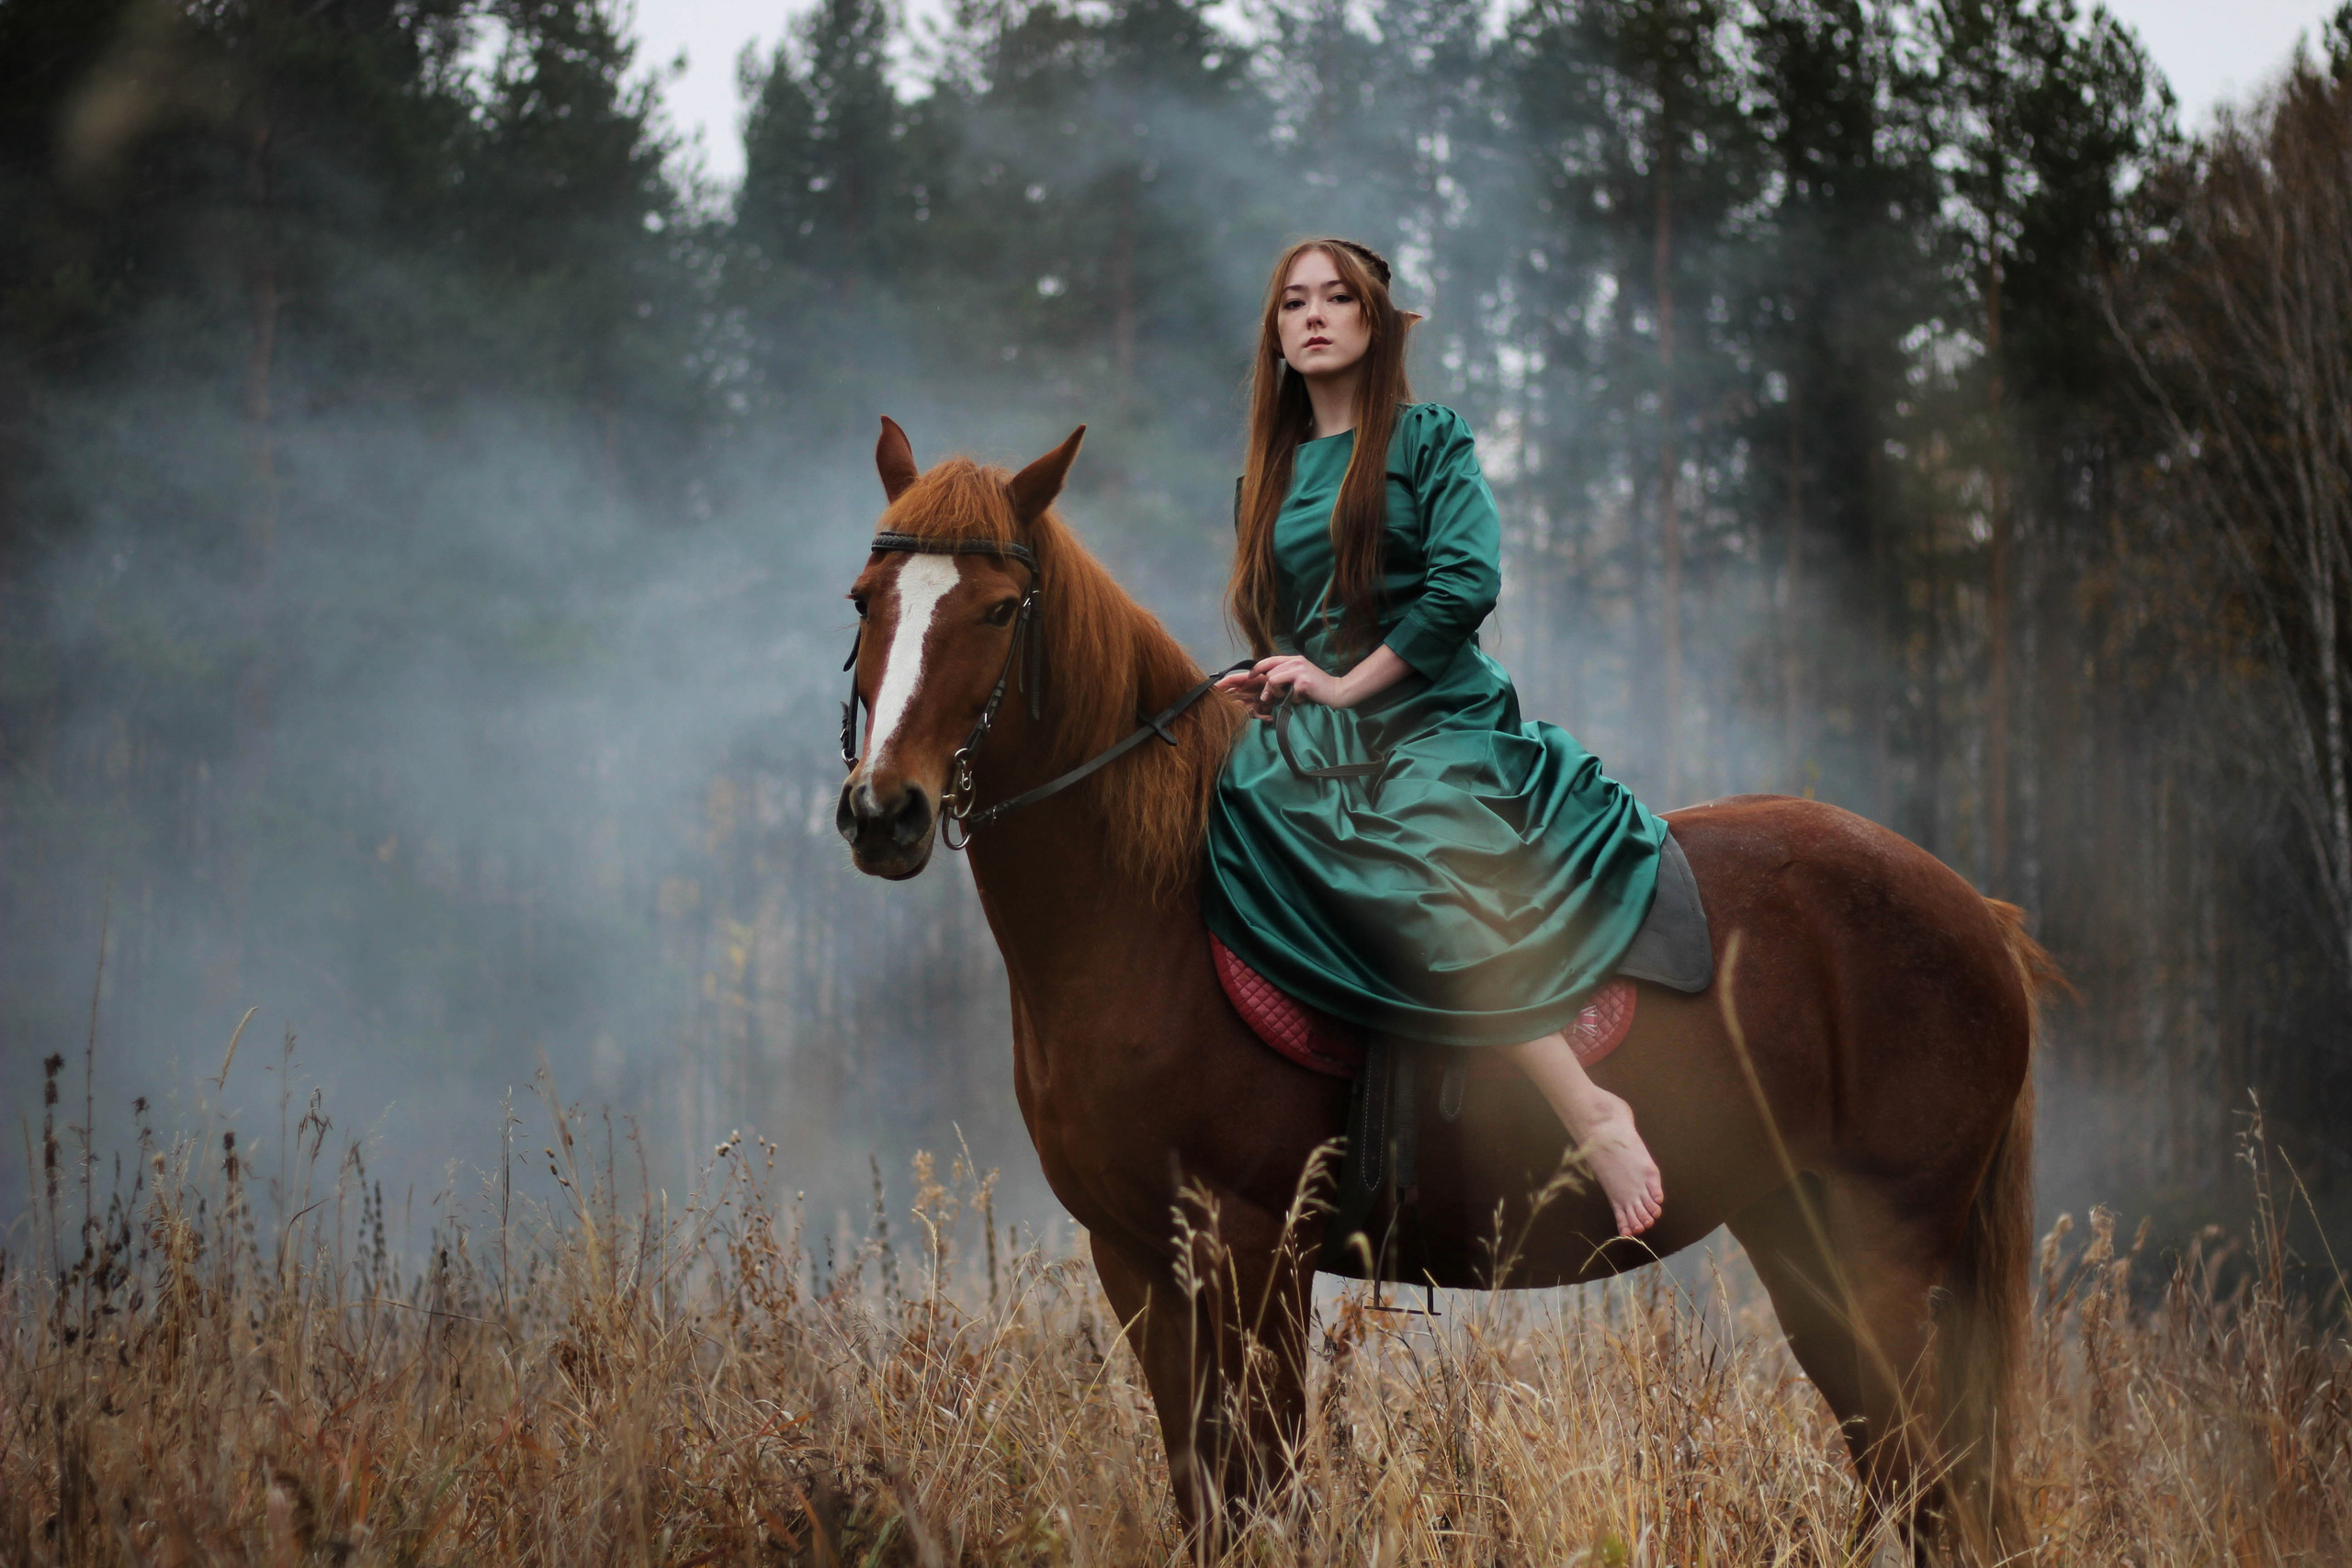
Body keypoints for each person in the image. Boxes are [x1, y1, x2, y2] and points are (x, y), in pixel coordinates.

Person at [1204, 237, 1669, 1237]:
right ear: (1276, 336)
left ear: (1375, 323)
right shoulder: (1265, 475)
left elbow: (1465, 587)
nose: (1315, 315)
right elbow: (1283, 621)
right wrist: (1278, 677)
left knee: (1409, 854)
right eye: (1294, 303)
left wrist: (1339, 685)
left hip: (1433, 717)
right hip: (1314, 730)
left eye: (1338, 298)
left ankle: (1586, 1107)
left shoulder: (1428, 440)